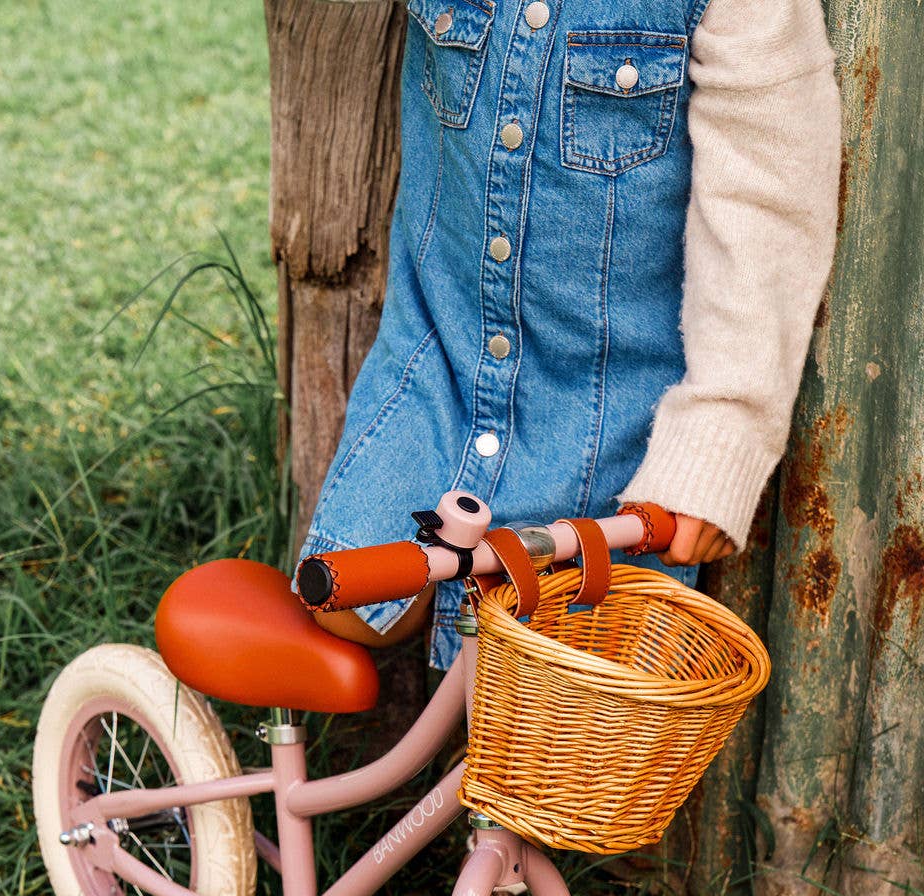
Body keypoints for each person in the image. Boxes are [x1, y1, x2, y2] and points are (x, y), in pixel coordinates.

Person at [297, 0, 841, 667]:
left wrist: (721, 431)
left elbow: (768, 199)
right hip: (439, 370)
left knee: (561, 712)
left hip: (604, 419)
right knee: (349, 603)